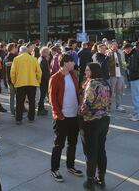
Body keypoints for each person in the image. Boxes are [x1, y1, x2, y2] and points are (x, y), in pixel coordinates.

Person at [49, 54, 83, 183]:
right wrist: (60, 115)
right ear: (65, 63)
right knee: (59, 144)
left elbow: (77, 92)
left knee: (72, 143)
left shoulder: (74, 75)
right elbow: (52, 99)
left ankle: (70, 166)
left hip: (74, 116)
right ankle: (54, 169)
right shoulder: (55, 78)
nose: (74, 64)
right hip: (62, 117)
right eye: (72, 62)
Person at [79, 62, 112, 190]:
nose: (85, 73)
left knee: (90, 152)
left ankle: (90, 181)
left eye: (87, 70)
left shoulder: (92, 84)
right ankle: (101, 178)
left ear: (93, 71)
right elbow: (109, 101)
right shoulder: (105, 83)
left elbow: (86, 104)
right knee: (101, 150)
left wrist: (79, 112)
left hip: (91, 122)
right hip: (104, 119)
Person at [11, 46, 42, 125]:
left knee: (19, 102)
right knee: (32, 101)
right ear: (27, 51)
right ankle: (31, 117)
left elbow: (12, 73)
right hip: (32, 83)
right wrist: (38, 81)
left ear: (20, 51)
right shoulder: (33, 59)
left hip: (20, 83)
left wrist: (14, 82)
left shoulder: (16, 59)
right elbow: (39, 72)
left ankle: (18, 118)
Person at [123, 43, 139, 122]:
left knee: (136, 97)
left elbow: (133, 67)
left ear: (128, 48)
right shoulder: (137, 52)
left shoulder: (133, 55)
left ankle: (137, 116)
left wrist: (126, 66)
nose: (125, 51)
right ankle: (137, 114)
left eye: (125, 50)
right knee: (137, 97)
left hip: (136, 77)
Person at [107, 40, 125, 112]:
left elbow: (121, 62)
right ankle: (108, 106)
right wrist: (113, 60)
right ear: (111, 45)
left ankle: (119, 106)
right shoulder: (108, 53)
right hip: (112, 75)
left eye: (116, 44)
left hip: (119, 74)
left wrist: (123, 68)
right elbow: (108, 64)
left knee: (119, 91)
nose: (116, 46)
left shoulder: (118, 52)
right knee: (111, 92)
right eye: (114, 45)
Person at [4, 43, 18, 117]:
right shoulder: (16, 57)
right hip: (16, 80)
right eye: (15, 48)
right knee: (18, 96)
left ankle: (12, 111)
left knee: (11, 96)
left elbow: (4, 70)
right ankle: (18, 110)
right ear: (13, 48)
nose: (16, 49)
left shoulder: (5, 57)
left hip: (9, 80)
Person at [38, 46, 50, 115]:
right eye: (48, 52)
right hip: (43, 80)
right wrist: (48, 81)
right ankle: (40, 109)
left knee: (42, 95)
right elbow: (45, 73)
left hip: (42, 80)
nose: (49, 53)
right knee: (42, 95)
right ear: (44, 52)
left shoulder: (41, 59)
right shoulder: (43, 60)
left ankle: (41, 107)